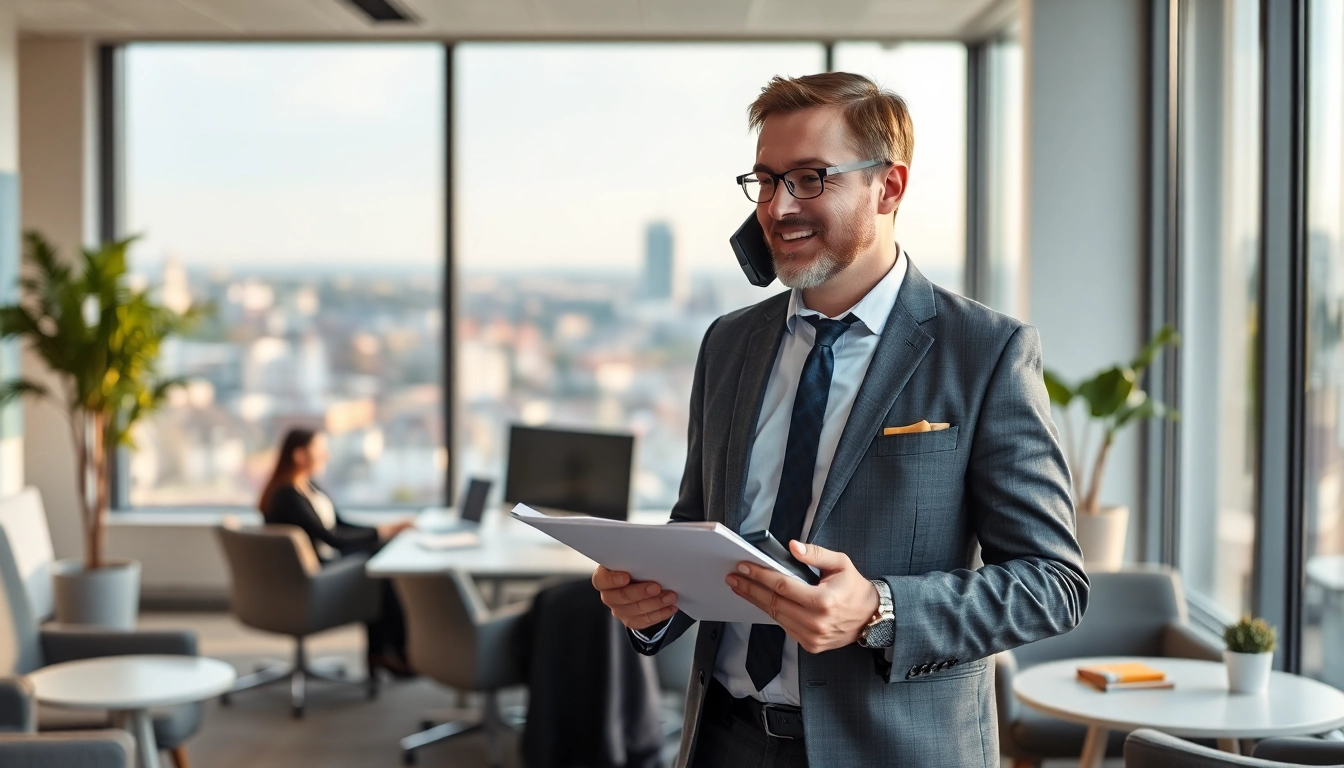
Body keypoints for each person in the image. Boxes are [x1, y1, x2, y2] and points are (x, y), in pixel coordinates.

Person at [592, 72, 1089, 768]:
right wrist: (653, 599)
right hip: (725, 740)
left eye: (809, 178)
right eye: (764, 181)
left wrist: (881, 609)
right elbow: (700, 524)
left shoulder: (984, 352)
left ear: (888, 187)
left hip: (894, 748)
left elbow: (1052, 586)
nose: (777, 207)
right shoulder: (729, 343)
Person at [258, 427, 417, 677]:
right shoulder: (286, 496)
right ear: (300, 455)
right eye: (320, 450)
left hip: (312, 571)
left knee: (378, 555)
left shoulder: (307, 486)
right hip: (303, 583)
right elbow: (333, 539)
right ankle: (390, 651)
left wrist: (384, 530)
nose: (327, 456)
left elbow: (339, 523)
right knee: (376, 567)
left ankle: (386, 652)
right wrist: (381, 533)